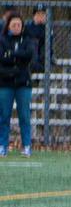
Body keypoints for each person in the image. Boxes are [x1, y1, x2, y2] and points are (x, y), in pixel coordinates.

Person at [0, 12, 33, 157]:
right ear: (8, 25)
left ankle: (26, 146)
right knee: (4, 115)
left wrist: (12, 54)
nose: (16, 27)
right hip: (6, 83)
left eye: (19, 25)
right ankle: (2, 145)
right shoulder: (2, 40)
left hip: (23, 83)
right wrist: (15, 57)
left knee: (24, 115)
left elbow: (29, 55)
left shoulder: (27, 40)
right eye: (13, 24)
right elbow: (2, 58)